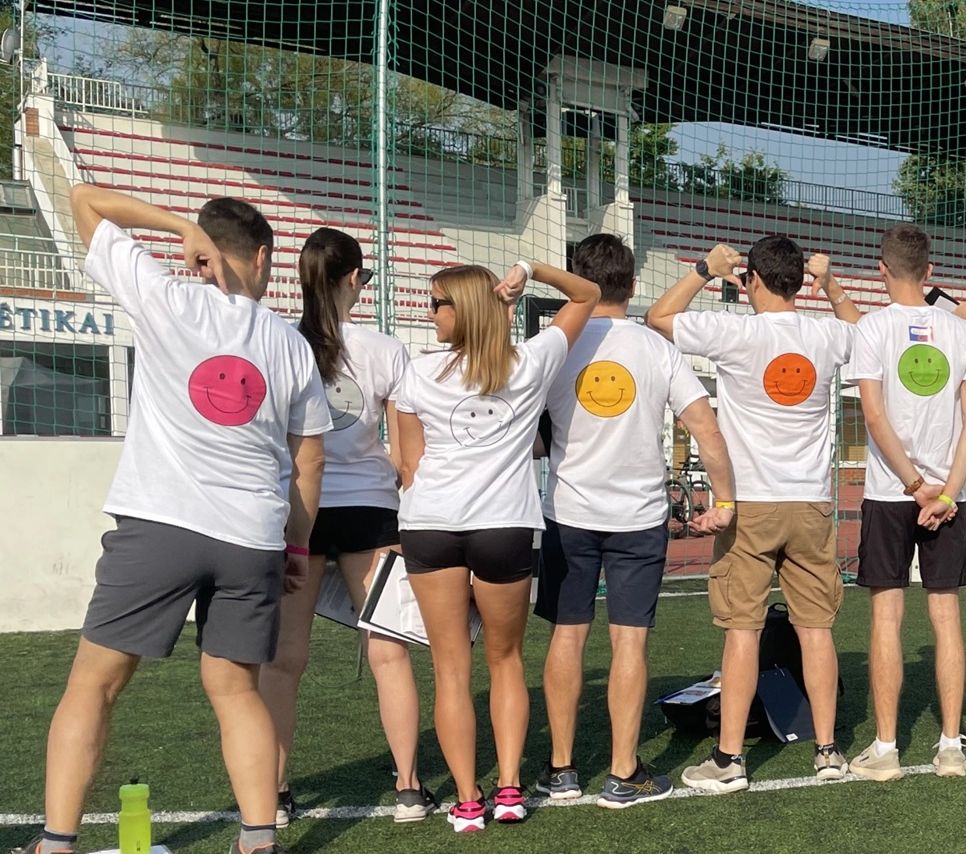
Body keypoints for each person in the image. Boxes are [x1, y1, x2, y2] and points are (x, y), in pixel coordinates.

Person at [34, 185, 330, 854]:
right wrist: (297, 545)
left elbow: (83, 199)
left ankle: (55, 843)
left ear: (203, 253)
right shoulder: (289, 344)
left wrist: (177, 226)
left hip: (159, 524)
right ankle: (258, 841)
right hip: (253, 536)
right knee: (235, 690)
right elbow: (308, 459)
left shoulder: (165, 296)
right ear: (259, 258)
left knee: (95, 682)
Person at [648, 236, 863, 793]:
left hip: (749, 505)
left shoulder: (737, 331)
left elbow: (659, 317)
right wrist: (831, 283)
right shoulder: (825, 333)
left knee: (741, 631)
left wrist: (704, 269)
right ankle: (828, 750)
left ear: (755, 282)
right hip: (812, 501)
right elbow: (868, 337)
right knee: (816, 629)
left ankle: (729, 761)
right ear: (797, 279)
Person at [393, 258, 600, 832]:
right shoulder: (530, 362)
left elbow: (409, 464)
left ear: (464, 309)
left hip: (430, 526)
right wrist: (531, 270)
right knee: (505, 661)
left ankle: (467, 800)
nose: (429, 311)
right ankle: (509, 790)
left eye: (437, 302)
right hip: (504, 526)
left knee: (450, 668)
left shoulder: (418, 374)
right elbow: (588, 295)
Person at [530, 233, 736, 809]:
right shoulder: (655, 348)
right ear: (633, 284)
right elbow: (707, 430)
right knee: (630, 643)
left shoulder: (556, 344)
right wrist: (724, 501)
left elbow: (528, 431)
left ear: (579, 277)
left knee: (567, 636)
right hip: (638, 519)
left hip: (567, 513)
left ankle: (562, 769)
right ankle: (623, 772)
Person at [256, 228, 430, 826]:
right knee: (389, 653)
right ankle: (409, 787)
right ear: (355, 279)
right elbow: (411, 457)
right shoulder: (385, 349)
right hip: (370, 511)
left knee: (284, 661)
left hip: (297, 511)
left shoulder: (277, 340)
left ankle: (273, 797)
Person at [845, 224, 966, 781]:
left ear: (882, 270)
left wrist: (913, 485)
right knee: (946, 615)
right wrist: (945, 491)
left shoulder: (873, 329)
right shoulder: (963, 334)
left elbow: (874, 417)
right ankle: (950, 744)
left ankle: (886, 750)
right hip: (945, 495)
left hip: (891, 492)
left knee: (887, 616)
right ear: (930, 273)